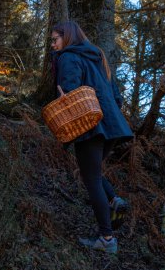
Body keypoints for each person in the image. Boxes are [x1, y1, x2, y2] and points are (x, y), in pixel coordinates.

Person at [50, 21, 134, 254]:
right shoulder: (98, 57)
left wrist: (61, 94)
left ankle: (107, 238)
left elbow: (69, 91)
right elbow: (117, 96)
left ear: (66, 38)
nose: (53, 44)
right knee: (94, 173)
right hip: (112, 125)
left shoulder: (68, 57)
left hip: (89, 125)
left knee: (91, 179)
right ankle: (114, 200)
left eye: (55, 39)